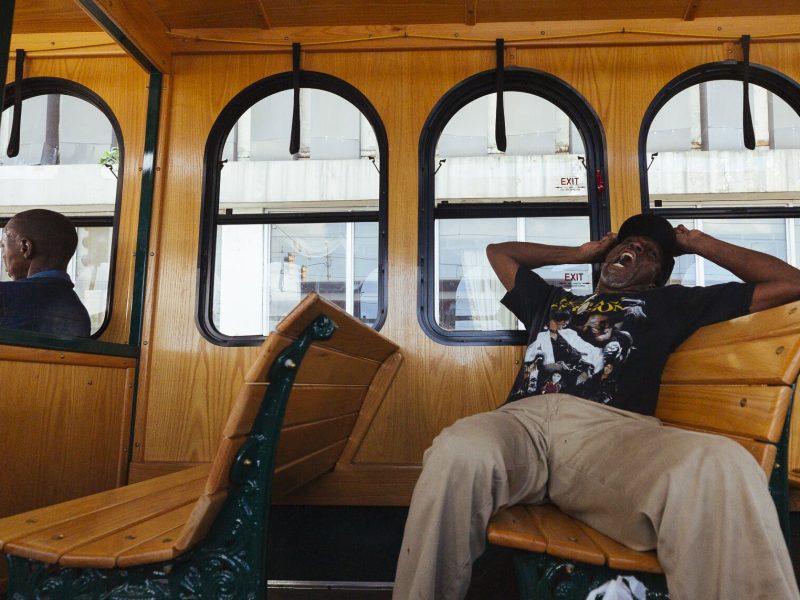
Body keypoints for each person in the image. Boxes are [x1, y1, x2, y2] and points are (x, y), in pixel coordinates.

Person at [393, 214, 800, 600]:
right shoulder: (552, 301)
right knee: (456, 451)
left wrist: (693, 241)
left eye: (649, 253)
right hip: (522, 423)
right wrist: (580, 253)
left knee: (720, 464)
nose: (635, 251)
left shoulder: (670, 304)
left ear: (658, 277)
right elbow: (500, 252)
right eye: (629, 245)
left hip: (609, 435)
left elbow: (789, 282)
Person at [0, 209, 91, 337]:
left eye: (3, 246)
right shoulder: (80, 313)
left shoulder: (5, 296)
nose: (3, 255)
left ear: (25, 247)